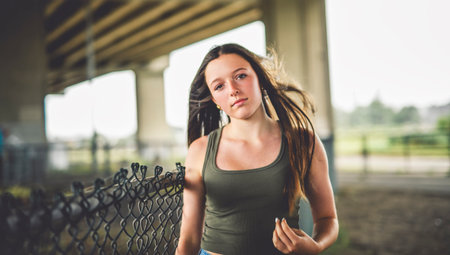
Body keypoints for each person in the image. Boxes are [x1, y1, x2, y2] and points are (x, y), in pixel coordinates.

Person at [176, 43, 338, 255]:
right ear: (215, 100)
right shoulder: (201, 150)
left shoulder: (303, 141)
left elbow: (328, 219)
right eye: (219, 86)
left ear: (260, 79)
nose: (233, 90)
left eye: (241, 76)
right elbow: (189, 238)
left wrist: (315, 246)